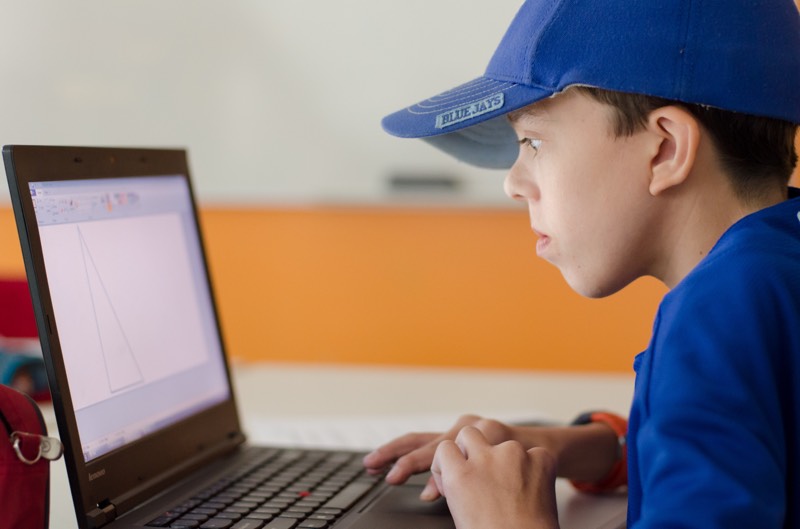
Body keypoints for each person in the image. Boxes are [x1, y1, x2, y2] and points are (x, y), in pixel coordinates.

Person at [362, 1, 800, 528]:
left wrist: (509, 521)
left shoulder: (713, 315)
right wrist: (584, 445)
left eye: (534, 141)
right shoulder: (772, 267)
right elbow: (756, 440)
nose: (512, 182)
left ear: (665, 150)